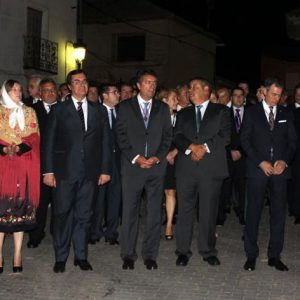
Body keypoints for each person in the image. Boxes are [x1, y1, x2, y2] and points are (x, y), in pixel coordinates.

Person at [43, 69, 111, 273]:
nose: (82, 85)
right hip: (64, 172)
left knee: (84, 215)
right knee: (62, 215)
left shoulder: (98, 110)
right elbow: (49, 142)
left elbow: (106, 141)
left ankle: (81, 256)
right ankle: (61, 257)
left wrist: (105, 169)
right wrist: (48, 171)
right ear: (70, 86)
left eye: (84, 82)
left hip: (90, 173)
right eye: (77, 82)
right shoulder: (59, 110)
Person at [116, 69, 172, 271]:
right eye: (148, 82)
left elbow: (168, 136)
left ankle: (150, 255)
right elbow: (121, 135)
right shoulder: (124, 107)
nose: (152, 86)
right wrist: (136, 157)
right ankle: (128, 255)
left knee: (154, 212)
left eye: (154, 83)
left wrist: (157, 157)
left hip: (156, 168)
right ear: (138, 86)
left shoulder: (163, 108)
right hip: (133, 168)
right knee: (130, 211)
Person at [241, 77, 298, 272]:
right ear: (264, 92)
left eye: (279, 95)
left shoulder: (285, 113)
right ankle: (251, 255)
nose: (276, 98)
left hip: (280, 172)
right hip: (258, 170)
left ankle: (275, 255)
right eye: (273, 94)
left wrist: (284, 161)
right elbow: (245, 140)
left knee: (278, 214)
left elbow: (292, 142)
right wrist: (260, 162)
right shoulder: (251, 112)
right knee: (253, 213)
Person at [174, 77, 231, 267]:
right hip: (186, 169)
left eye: (194, 87)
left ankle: (207, 250)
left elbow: (224, 136)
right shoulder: (184, 113)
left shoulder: (222, 110)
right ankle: (182, 251)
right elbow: (177, 136)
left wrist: (203, 148)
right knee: (184, 210)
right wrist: (191, 147)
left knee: (208, 210)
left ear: (206, 89)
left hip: (210, 168)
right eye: (189, 88)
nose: (190, 91)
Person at [0, 80, 40, 273]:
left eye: (19, 89)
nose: (18, 92)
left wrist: (18, 148)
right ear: (5, 92)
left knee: (20, 212)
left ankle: (17, 254)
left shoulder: (29, 112)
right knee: (1, 210)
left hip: (23, 166)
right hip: (2, 167)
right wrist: (4, 148)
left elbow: (34, 138)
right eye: (13, 90)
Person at [27, 78, 58, 248]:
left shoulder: (64, 109)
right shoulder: (32, 111)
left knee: (60, 202)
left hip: (60, 164)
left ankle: (57, 233)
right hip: (38, 164)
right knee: (39, 202)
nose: (50, 93)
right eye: (46, 90)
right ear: (40, 93)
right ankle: (35, 235)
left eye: (53, 90)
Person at [89, 83, 121, 245]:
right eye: (115, 92)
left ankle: (111, 232)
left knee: (115, 199)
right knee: (98, 200)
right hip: (101, 163)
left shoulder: (120, 113)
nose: (118, 95)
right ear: (105, 95)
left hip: (118, 163)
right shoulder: (95, 112)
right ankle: (94, 232)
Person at [157, 88, 178, 240]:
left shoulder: (181, 118)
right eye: (173, 98)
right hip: (158, 158)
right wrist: (163, 154)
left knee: (171, 192)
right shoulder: (155, 118)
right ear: (164, 101)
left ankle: (169, 224)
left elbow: (187, 137)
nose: (176, 101)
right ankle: (155, 221)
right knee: (156, 193)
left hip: (174, 159)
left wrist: (174, 152)